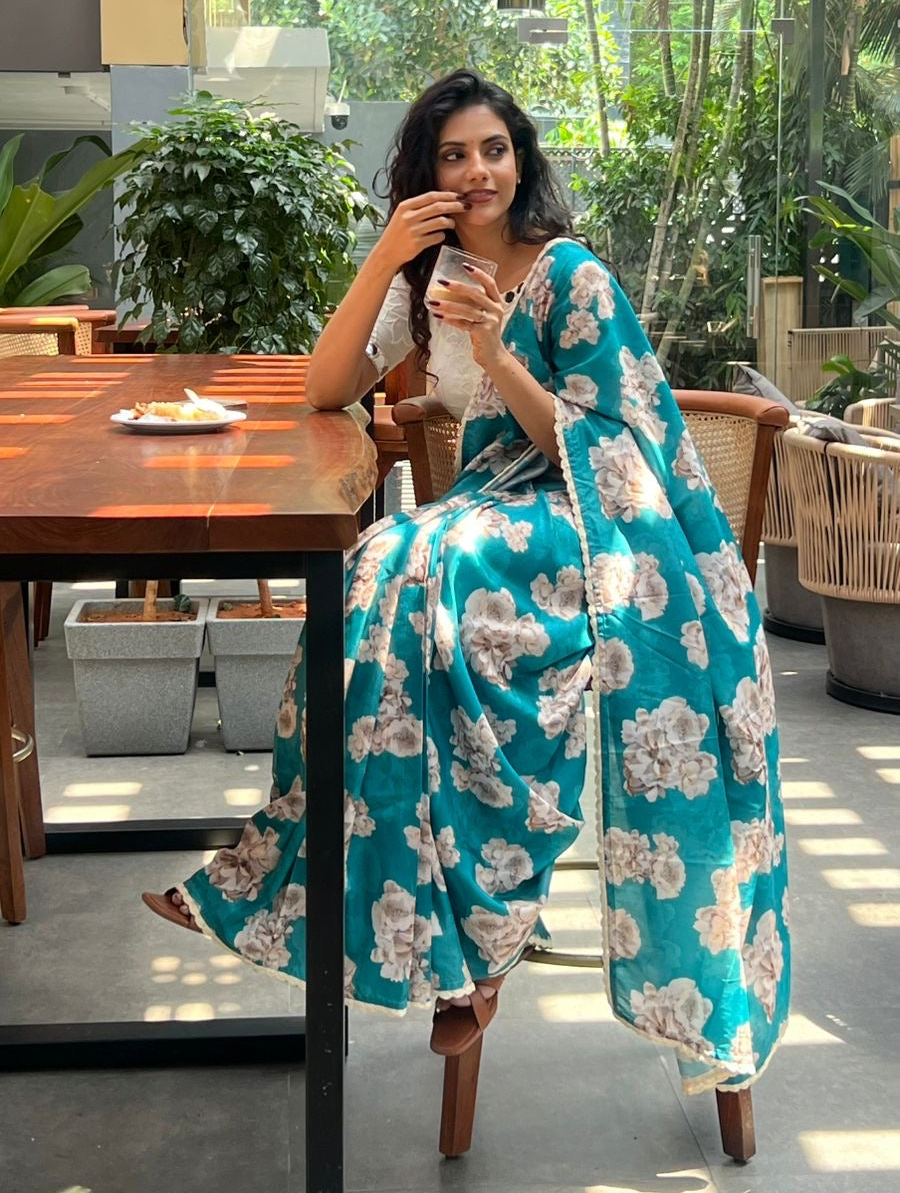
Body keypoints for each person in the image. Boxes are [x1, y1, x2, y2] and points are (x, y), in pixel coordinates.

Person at [143, 68, 790, 1096]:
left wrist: (493, 344)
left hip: (586, 521)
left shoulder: (570, 274)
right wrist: (384, 258)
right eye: (453, 156)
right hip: (484, 510)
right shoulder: (429, 281)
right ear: (424, 174)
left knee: (428, 573)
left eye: (494, 149)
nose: (477, 171)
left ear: (521, 161)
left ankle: (472, 926)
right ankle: (438, 943)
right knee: (376, 572)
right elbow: (324, 385)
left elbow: (606, 444)